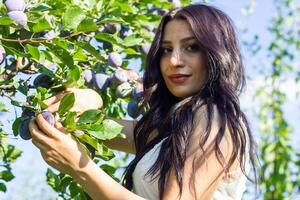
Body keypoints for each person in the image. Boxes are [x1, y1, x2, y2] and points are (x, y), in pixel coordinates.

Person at [29, 3, 257, 200]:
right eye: (166, 50)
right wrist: (92, 97)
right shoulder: (170, 132)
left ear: (216, 54)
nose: (174, 61)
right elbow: (94, 128)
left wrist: (80, 169)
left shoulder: (215, 118)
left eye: (192, 47)